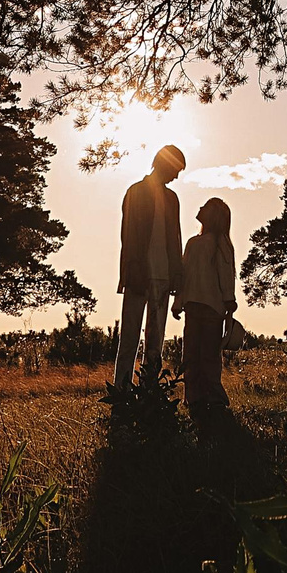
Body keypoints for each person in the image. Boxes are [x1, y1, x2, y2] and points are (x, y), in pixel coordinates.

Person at [111, 144, 185, 398]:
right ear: (166, 165)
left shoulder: (172, 199)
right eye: (176, 170)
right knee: (129, 338)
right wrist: (129, 273)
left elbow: (176, 240)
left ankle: (149, 392)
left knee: (155, 341)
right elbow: (127, 237)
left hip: (163, 278)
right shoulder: (136, 192)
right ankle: (121, 392)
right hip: (138, 276)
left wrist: (177, 275)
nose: (176, 177)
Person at [174, 196, 237, 412]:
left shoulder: (219, 244)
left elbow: (225, 275)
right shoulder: (195, 243)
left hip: (210, 309)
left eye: (206, 206)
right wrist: (178, 302)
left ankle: (212, 399)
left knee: (206, 355)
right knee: (193, 355)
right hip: (197, 307)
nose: (200, 207)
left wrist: (229, 299)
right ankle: (196, 398)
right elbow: (184, 275)